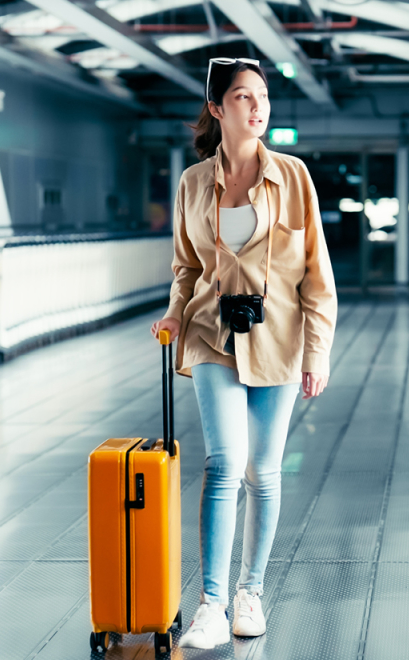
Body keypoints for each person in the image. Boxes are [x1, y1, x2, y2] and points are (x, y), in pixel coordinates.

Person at [150, 57, 337, 649]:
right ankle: (210, 602)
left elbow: (316, 275)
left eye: (262, 97)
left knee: (264, 471)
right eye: (242, 97)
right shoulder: (192, 183)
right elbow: (186, 266)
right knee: (223, 464)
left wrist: (318, 351)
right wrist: (177, 311)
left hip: (278, 339)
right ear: (216, 108)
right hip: (211, 335)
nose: (258, 107)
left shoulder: (294, 178)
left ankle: (249, 593)